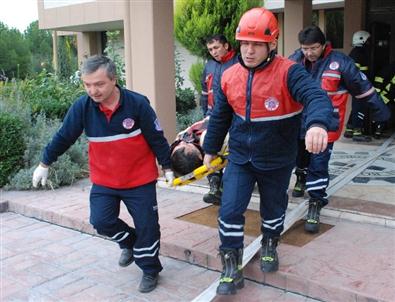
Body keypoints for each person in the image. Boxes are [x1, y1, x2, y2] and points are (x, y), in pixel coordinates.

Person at [202, 8, 337, 296]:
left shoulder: (290, 72)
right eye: (244, 43)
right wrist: (210, 149)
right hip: (240, 157)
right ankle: (230, 264)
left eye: (256, 44)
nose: (249, 51)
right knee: (229, 210)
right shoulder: (229, 75)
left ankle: (270, 243)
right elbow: (220, 117)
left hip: (277, 159)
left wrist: (316, 124)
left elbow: (317, 97)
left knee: (273, 209)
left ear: (271, 44)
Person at [31, 55, 175, 293]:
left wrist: (167, 165)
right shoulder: (82, 107)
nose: (93, 90)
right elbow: (64, 136)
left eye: (99, 84)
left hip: (139, 179)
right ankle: (129, 242)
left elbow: (156, 137)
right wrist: (45, 162)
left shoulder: (137, 104)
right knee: (100, 220)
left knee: (148, 226)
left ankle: (150, 269)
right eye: (87, 85)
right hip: (105, 180)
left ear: (114, 80)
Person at [289, 26, 390, 233]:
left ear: (323, 44)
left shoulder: (340, 62)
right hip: (298, 123)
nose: (308, 53)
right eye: (304, 48)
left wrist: (382, 113)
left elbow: (363, 89)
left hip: (326, 126)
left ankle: (316, 202)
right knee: (299, 157)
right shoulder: (295, 60)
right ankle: (300, 178)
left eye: (313, 48)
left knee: (319, 163)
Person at [199, 34, 238, 204]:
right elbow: (204, 93)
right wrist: (205, 115)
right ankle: (215, 186)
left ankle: (230, 189)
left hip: (234, 118)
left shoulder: (239, 63)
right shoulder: (209, 66)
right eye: (210, 49)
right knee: (210, 147)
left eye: (216, 48)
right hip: (212, 117)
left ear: (226, 46)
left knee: (230, 153)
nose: (213, 52)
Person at [344, 30, 373, 142]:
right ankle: (357, 132)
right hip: (359, 86)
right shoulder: (358, 53)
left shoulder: (357, 52)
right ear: (362, 39)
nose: (369, 43)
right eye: (368, 40)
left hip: (358, 86)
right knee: (360, 107)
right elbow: (354, 72)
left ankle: (350, 129)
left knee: (356, 107)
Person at [373, 61, 395, 138]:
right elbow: (379, 79)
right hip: (385, 95)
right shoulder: (390, 68)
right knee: (383, 113)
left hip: (390, 95)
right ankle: (378, 131)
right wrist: (377, 93)